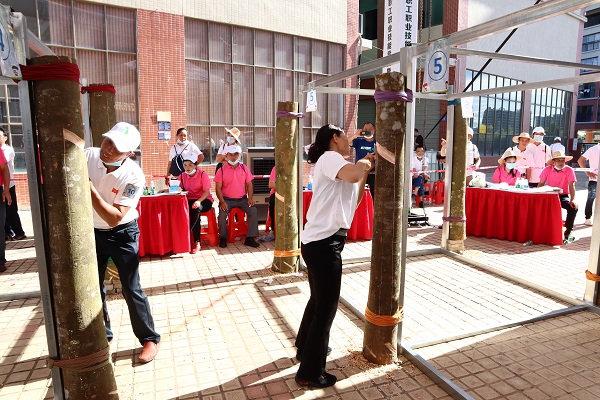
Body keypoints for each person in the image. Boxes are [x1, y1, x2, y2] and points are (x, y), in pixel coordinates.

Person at [295, 124, 374, 389]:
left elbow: (355, 199)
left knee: (319, 301)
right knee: (326, 307)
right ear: (334, 138)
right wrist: (364, 163)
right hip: (323, 243)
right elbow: (353, 174)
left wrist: (364, 170)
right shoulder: (330, 158)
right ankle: (310, 372)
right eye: (345, 137)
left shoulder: (339, 165)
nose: (349, 142)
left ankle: (305, 348)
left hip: (322, 241)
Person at [87, 122, 160, 362]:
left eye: (116, 147)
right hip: (90, 232)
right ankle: (103, 336)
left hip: (122, 233)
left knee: (131, 287)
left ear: (129, 153)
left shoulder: (133, 176)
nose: (108, 149)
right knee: (93, 286)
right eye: (108, 141)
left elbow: (114, 217)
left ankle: (149, 338)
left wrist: (89, 190)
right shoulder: (88, 156)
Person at [214, 144, 260, 248]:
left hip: (242, 199)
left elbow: (249, 184)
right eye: (231, 154)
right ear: (226, 156)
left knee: (253, 210)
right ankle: (223, 238)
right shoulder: (221, 170)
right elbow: (218, 188)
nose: (233, 157)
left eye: (235, 154)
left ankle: (250, 238)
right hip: (227, 200)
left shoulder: (244, 168)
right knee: (222, 215)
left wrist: (250, 198)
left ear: (239, 155)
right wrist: (222, 202)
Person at [538, 150, 578, 244]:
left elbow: (572, 186)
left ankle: (568, 232)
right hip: (549, 195)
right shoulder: (547, 169)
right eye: (558, 160)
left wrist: (573, 200)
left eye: (562, 160)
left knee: (573, 208)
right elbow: (541, 184)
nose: (561, 162)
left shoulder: (569, 170)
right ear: (553, 161)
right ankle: (542, 231)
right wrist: (538, 197)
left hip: (563, 195)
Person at [180, 153, 213, 254]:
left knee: (196, 208)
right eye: (185, 165)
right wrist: (166, 190)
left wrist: (198, 201)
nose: (187, 168)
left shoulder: (203, 174)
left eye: (190, 165)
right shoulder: (182, 176)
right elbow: (177, 188)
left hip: (204, 200)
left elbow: (206, 192)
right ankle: (187, 239)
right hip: (190, 200)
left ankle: (194, 240)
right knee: (184, 210)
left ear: (195, 165)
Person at [0, 128, 26, 241]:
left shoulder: (8, 150)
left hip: (8, 184)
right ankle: (7, 233)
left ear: (5, 138)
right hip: (1, 185)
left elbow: (4, 164)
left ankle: (19, 232)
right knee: (2, 211)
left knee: (11, 210)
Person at [349, 122, 376, 197]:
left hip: (373, 174)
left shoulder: (377, 143)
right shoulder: (359, 141)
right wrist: (355, 135)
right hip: (360, 172)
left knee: (372, 195)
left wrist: (374, 157)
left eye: (370, 129)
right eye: (366, 129)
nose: (368, 131)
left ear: (374, 131)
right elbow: (346, 142)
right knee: (358, 194)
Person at [578, 142, 600, 226]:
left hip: (594, 179)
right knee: (591, 198)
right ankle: (588, 218)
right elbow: (580, 160)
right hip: (594, 179)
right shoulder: (593, 149)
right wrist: (587, 172)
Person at [260, 165, 276, 242]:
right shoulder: (276, 168)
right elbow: (271, 184)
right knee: (273, 206)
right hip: (276, 194)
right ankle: (273, 230)